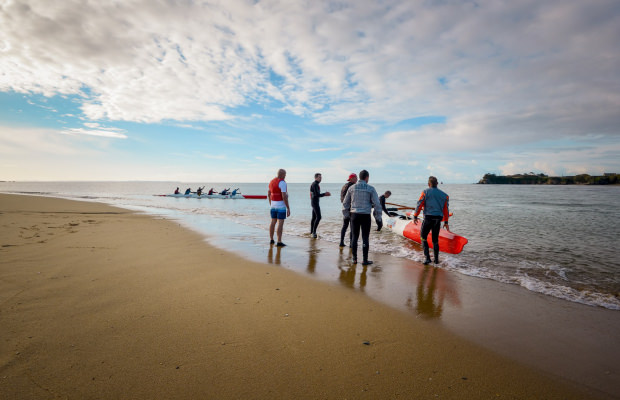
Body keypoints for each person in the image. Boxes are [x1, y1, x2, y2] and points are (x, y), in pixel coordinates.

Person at [342, 169, 382, 265]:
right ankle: (364, 260)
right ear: (367, 178)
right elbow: (377, 204)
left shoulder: (351, 188)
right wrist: (378, 219)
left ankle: (354, 259)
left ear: (359, 177)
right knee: (365, 237)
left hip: (354, 215)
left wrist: (346, 216)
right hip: (365, 216)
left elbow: (345, 203)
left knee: (355, 237)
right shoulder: (371, 188)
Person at [413, 176, 450, 265]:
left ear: (428, 184)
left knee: (423, 237)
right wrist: (446, 222)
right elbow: (446, 210)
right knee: (435, 240)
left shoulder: (425, 192)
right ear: (437, 184)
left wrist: (415, 216)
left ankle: (427, 258)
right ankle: (436, 260)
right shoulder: (445, 195)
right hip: (438, 219)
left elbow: (419, 204)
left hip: (428, 218)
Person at [268, 169, 291, 247]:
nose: (285, 176)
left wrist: (270, 204)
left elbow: (269, 193)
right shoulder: (282, 183)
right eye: (285, 174)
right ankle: (279, 241)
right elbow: (284, 196)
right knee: (280, 223)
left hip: (273, 205)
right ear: (281, 174)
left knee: (273, 222)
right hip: (281, 206)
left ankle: (271, 240)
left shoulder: (271, 182)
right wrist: (288, 208)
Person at [309, 173, 331, 238]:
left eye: (321, 177)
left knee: (314, 218)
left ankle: (311, 232)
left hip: (314, 202)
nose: (321, 178)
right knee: (319, 217)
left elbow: (315, 195)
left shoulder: (315, 184)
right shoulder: (315, 184)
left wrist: (324, 194)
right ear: (315, 178)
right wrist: (325, 194)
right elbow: (316, 195)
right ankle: (314, 232)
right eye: (319, 177)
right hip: (315, 203)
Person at [339, 173, 357, 247]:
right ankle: (351, 243)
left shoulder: (344, 186)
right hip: (351, 209)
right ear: (352, 179)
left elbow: (342, 199)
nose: (357, 179)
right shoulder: (352, 187)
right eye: (356, 178)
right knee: (352, 227)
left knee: (345, 226)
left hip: (345, 208)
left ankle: (341, 242)